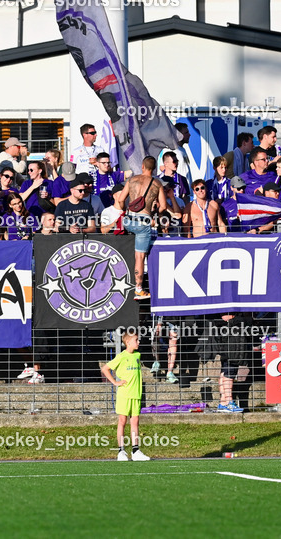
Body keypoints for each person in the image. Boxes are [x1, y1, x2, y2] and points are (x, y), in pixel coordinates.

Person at [112, 157, 167, 298]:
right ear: (154, 169)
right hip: (143, 223)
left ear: (142, 166)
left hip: (128, 221)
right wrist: (154, 211)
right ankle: (138, 289)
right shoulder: (157, 184)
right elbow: (164, 207)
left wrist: (126, 212)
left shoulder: (132, 180)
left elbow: (120, 199)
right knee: (140, 257)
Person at [101, 330, 150, 461]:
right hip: (125, 394)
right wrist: (115, 382)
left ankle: (136, 450)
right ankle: (121, 451)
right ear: (128, 342)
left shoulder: (137, 355)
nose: (138, 342)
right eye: (136, 340)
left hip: (136, 394)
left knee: (135, 422)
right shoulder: (121, 356)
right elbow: (105, 369)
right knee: (122, 421)